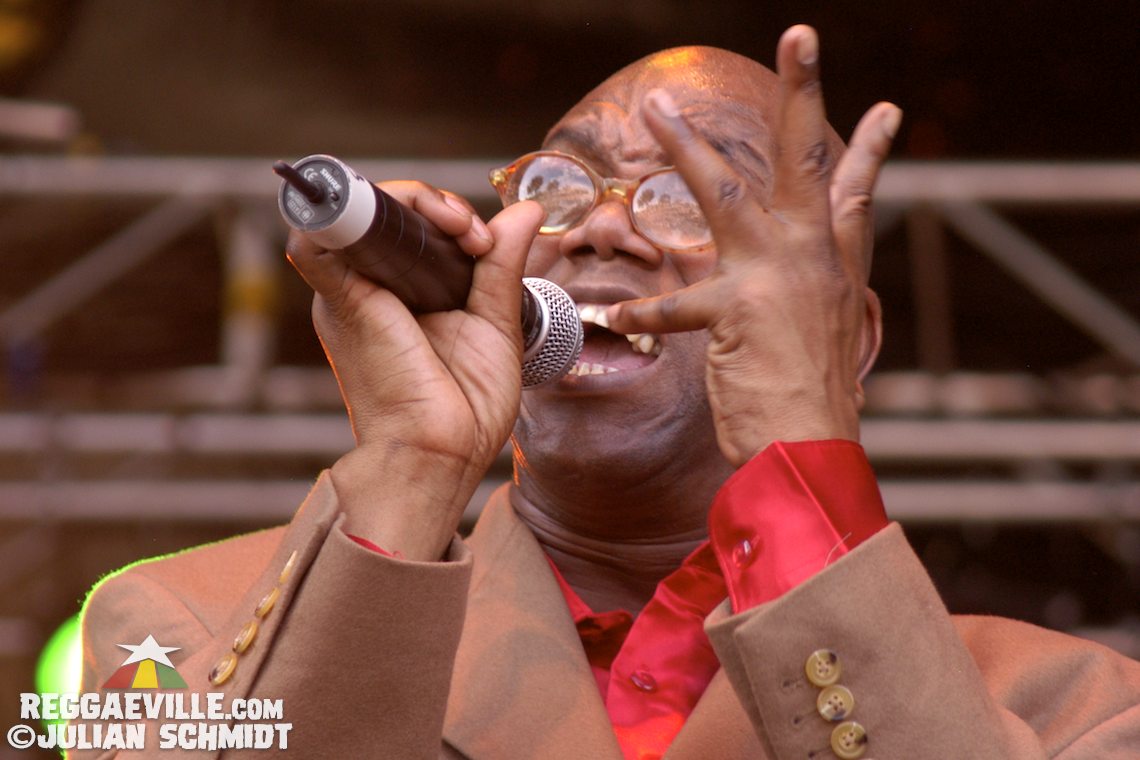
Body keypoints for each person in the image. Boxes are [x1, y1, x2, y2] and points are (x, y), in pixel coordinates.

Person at [77, 26, 1140, 759]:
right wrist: (411, 463)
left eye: (697, 196)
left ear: (842, 339)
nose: (600, 227)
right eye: (559, 185)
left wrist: (802, 457)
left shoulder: (1079, 708)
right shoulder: (173, 623)